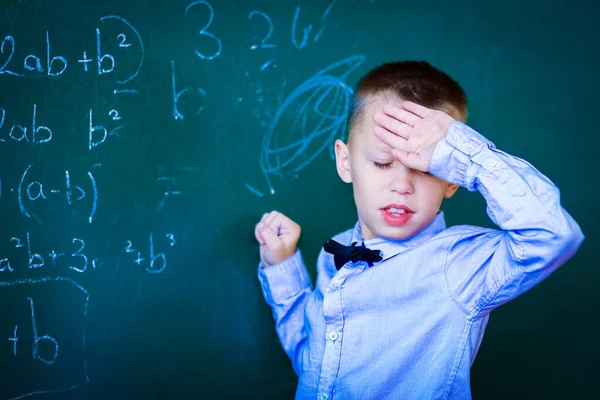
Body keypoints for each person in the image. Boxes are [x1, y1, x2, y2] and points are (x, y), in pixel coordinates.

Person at [254, 60, 584, 400]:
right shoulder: (336, 252)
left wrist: (461, 149)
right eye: (383, 163)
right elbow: (317, 367)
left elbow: (554, 235)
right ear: (345, 161)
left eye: (425, 169)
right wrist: (283, 270)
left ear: (451, 180)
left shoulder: (459, 265)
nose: (402, 184)